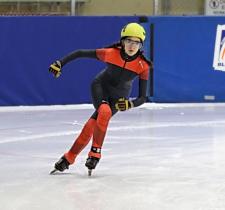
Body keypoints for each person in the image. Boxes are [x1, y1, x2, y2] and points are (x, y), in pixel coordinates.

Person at [49, 22, 152, 175]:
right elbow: (80, 53)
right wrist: (60, 63)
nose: (132, 45)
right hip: (100, 87)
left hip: (119, 98)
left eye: (136, 42)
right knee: (103, 111)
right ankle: (95, 154)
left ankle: (69, 157)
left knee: (91, 126)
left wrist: (130, 104)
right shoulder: (110, 53)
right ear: (122, 42)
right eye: (129, 41)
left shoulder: (143, 66)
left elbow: (143, 97)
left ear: (141, 45)